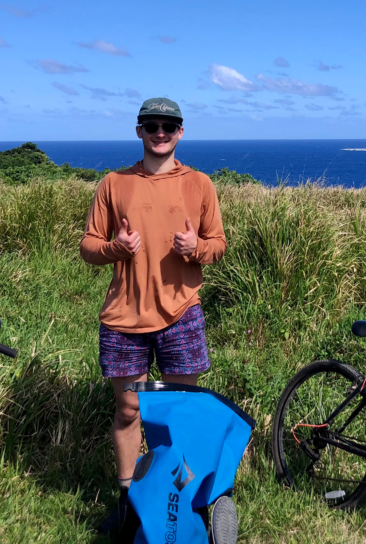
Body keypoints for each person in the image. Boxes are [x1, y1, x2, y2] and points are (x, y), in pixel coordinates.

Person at [80, 97, 227, 534]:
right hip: (124, 318)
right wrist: (115, 249)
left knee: (177, 416)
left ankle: (175, 500)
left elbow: (218, 243)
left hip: (182, 313)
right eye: (151, 125)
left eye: (169, 125)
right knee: (128, 412)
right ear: (139, 130)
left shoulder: (200, 184)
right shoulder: (114, 183)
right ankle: (128, 504)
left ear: (181, 132)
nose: (160, 132)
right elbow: (88, 246)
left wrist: (194, 249)